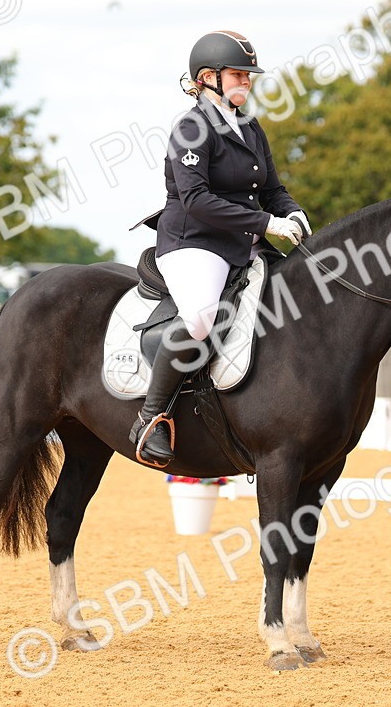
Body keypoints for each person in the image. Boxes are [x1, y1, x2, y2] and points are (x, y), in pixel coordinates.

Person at [129, 30, 311, 468]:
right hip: (195, 242)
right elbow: (196, 199)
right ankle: (151, 417)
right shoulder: (191, 128)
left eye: (248, 76)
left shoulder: (250, 127)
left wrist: (294, 213)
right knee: (201, 318)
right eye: (238, 75)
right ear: (207, 78)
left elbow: (272, 189)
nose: (247, 82)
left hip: (242, 242)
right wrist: (267, 224)